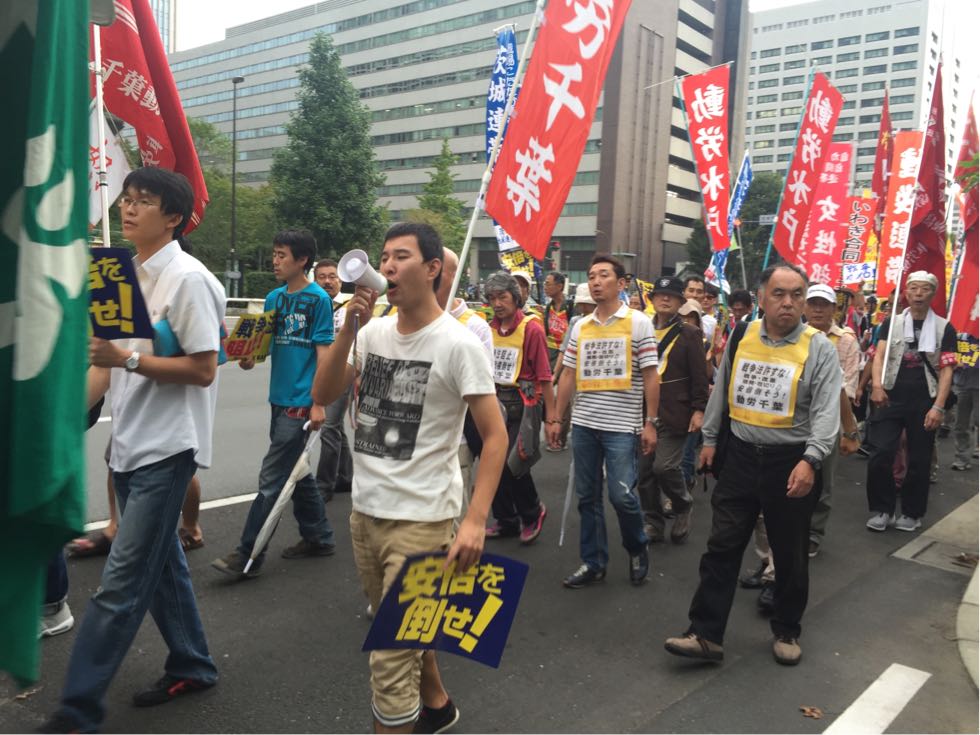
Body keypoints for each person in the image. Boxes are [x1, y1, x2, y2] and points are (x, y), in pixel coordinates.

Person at [41, 169, 224, 733]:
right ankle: (192, 663)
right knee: (163, 569)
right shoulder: (116, 275)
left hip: (169, 449)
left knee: (118, 586)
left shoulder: (189, 281)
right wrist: (60, 422)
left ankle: (77, 710)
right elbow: (105, 365)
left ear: (173, 218)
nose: (128, 208)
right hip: (128, 445)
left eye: (144, 201)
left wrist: (129, 360)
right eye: (127, 198)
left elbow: (203, 369)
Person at [311, 222, 508, 734]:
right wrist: (348, 329)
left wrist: (475, 521)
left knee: (390, 660)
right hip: (366, 515)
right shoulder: (371, 333)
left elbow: (495, 437)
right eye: (384, 257)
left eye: (401, 256)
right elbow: (324, 393)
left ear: (433, 268)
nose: (387, 266)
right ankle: (438, 707)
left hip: (422, 523)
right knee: (402, 628)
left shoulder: (458, 344)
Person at [664, 264, 841, 667]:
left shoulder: (819, 348)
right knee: (722, 546)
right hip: (740, 457)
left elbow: (826, 411)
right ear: (761, 298)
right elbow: (722, 391)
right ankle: (705, 634)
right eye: (779, 293)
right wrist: (710, 440)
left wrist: (811, 460)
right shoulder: (742, 334)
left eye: (797, 294)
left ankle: (787, 629)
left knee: (789, 552)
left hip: (791, 462)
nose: (788, 302)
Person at [212, 230, 336, 578]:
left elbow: (324, 355)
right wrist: (248, 358)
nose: (275, 261)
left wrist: (318, 402)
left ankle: (248, 555)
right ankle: (319, 536)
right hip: (278, 399)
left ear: (302, 260)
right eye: (275, 253)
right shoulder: (273, 299)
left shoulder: (318, 301)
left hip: (300, 403)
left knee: (272, 479)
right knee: (296, 471)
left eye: (282, 255)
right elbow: (262, 348)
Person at [548, 254, 659, 589]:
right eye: (592, 276)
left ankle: (637, 546)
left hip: (622, 427)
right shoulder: (581, 326)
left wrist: (651, 422)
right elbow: (568, 374)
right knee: (587, 496)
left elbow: (651, 375)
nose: (596, 282)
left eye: (604, 275)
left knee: (622, 495)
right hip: (584, 424)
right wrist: (556, 418)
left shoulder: (639, 322)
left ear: (621, 283)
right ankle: (593, 562)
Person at [865, 271, 956, 532]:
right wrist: (877, 386)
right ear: (906, 292)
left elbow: (947, 369)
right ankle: (882, 509)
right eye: (913, 288)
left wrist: (938, 406)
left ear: (933, 294)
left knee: (919, 459)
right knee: (880, 453)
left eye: (924, 289)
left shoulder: (944, 328)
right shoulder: (891, 323)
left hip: (924, 400)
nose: (918, 293)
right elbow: (879, 355)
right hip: (890, 397)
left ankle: (912, 512)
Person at [485, 272, 556, 544]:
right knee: (491, 463)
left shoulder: (532, 328)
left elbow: (545, 376)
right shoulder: (488, 328)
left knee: (513, 463)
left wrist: (552, 419)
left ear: (515, 298)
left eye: (502, 297)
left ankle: (532, 512)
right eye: (492, 298)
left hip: (523, 405)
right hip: (494, 403)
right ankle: (506, 519)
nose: (497, 303)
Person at [637, 277, 708, 546]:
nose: (665, 299)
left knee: (664, 466)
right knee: (644, 473)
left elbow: (699, 376)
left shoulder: (690, 333)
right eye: (660, 294)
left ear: (681, 302)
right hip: (642, 410)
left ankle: (682, 503)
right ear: (652, 299)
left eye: (672, 295)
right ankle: (653, 522)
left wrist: (699, 409)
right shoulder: (641, 328)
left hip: (675, 410)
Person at [802, 284, 861, 557]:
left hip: (832, 417)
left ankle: (814, 532)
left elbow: (848, 387)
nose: (817, 309)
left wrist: (849, 430)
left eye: (823, 305)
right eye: (812, 303)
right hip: (797, 417)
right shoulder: (795, 335)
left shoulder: (846, 341)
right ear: (804, 306)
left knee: (823, 479)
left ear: (834, 309)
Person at [436, 248, 493, 516]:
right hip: (412, 441)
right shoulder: (404, 319)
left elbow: (483, 388)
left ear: (453, 275)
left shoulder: (475, 326)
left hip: (455, 440)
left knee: (453, 515)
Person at [313, 258, 353, 501]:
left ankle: (323, 486)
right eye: (322, 277)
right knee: (335, 426)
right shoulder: (314, 305)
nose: (327, 281)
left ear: (340, 280)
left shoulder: (349, 308)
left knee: (328, 426)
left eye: (332, 277)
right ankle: (345, 476)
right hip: (319, 372)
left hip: (342, 374)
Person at [951, 337, 979, 471]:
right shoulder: (960, 337)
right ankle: (962, 458)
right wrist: (954, 363)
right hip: (962, 385)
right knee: (961, 424)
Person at [543, 270, 573, 369]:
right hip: (549, 356)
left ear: (560, 286)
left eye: (548, 284)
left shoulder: (571, 307)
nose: (545, 287)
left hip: (565, 356)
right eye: (545, 284)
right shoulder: (548, 307)